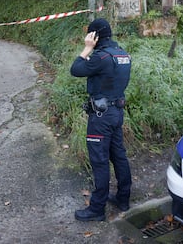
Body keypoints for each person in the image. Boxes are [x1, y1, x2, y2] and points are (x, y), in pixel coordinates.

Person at [70, 18, 132, 221]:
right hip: (117, 113)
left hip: (101, 116)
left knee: (100, 161)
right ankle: (123, 199)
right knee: (119, 156)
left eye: (90, 35)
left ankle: (97, 209)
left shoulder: (100, 57)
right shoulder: (122, 54)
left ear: (94, 36)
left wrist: (87, 48)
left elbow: (76, 69)